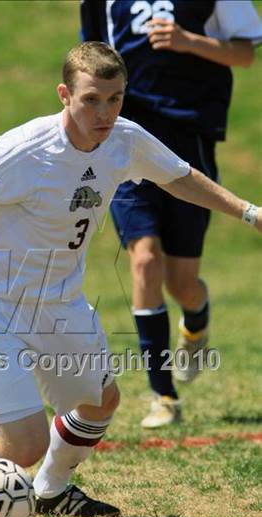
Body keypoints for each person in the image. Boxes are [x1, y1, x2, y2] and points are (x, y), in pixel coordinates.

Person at [0, 42, 261, 517]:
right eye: (91, 99)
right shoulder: (23, 151)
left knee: (101, 402)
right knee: (23, 445)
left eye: (115, 98)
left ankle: (51, 491)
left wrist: (249, 213)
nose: (104, 112)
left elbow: (180, 177)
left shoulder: (125, 140)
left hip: (60, 303)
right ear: (64, 94)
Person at [81, 0, 262, 428]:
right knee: (144, 260)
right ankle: (163, 395)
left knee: (183, 283)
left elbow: (245, 54)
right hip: (125, 139)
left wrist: (186, 41)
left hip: (187, 136)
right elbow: (89, 57)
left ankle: (196, 321)